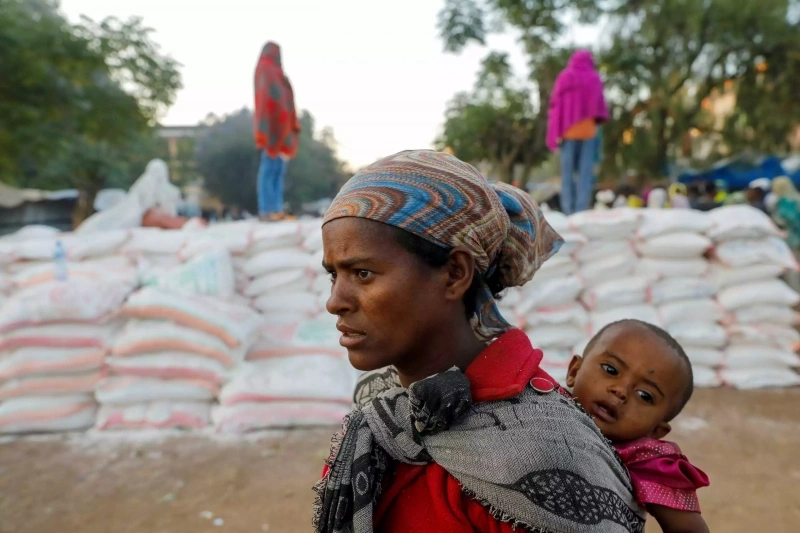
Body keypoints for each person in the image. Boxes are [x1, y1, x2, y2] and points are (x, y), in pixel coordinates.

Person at [314, 150, 647, 533]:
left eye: (363, 273)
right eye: (333, 276)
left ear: (455, 273)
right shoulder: (382, 407)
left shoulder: (544, 447)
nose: (335, 301)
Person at [566, 319, 710, 533]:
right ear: (574, 371)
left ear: (656, 431)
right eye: (611, 370)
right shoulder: (538, 404)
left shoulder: (646, 460)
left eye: (645, 395)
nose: (621, 391)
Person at [547, 50, 609, 216]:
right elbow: (599, 104)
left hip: (568, 132)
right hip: (588, 132)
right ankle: (580, 210)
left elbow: (555, 104)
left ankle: (568, 210)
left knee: (567, 174)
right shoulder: (594, 77)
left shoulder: (565, 76)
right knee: (585, 174)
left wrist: (556, 127)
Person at [253, 41, 300, 221]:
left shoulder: (278, 73)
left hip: (282, 128)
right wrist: (266, 127)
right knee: (268, 168)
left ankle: (277, 209)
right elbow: (265, 97)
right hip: (271, 126)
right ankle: (266, 210)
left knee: (278, 170)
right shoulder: (265, 68)